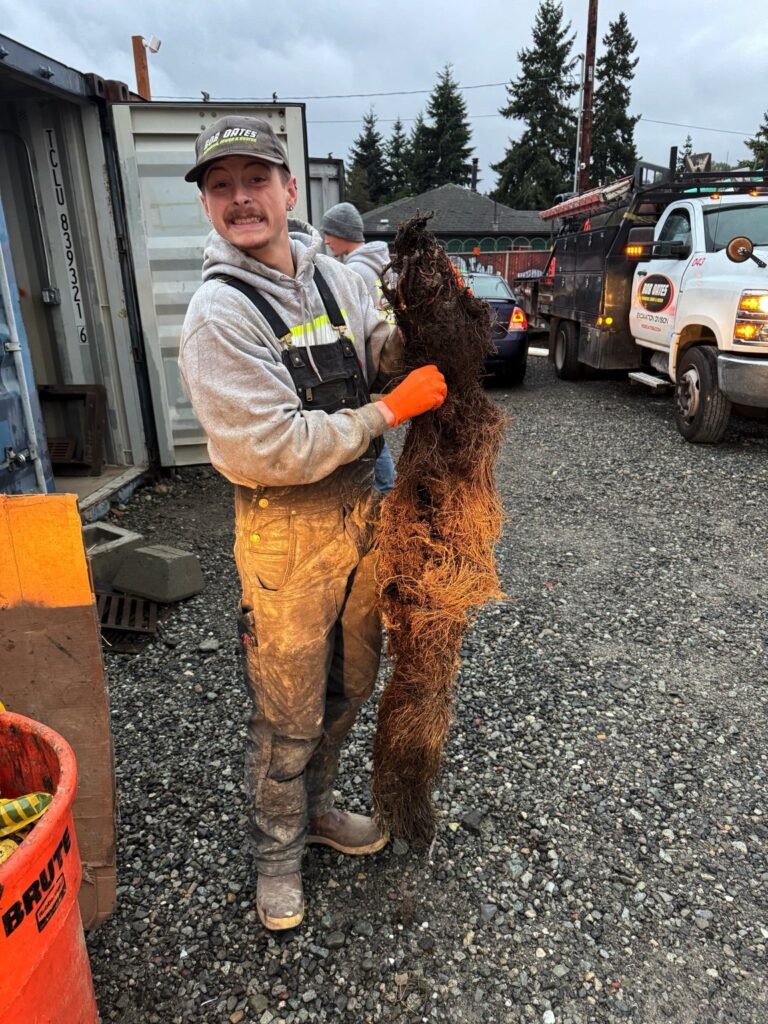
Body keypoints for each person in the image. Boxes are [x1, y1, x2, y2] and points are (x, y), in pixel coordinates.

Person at [178, 116, 446, 931]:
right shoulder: (218, 316)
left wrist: (429, 330)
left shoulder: (339, 278)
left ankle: (319, 812)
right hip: (285, 535)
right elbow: (272, 446)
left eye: (254, 180)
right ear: (208, 207)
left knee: (351, 683)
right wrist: (384, 414)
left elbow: (376, 346)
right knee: (288, 708)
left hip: (361, 518)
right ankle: (276, 856)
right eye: (220, 187)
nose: (239, 199)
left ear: (290, 190)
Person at [321, 202, 397, 495]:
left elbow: (354, 324)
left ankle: (385, 493)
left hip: (365, 361)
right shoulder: (378, 263)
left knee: (368, 433)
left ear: (343, 233)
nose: (326, 239)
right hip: (383, 352)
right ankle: (386, 489)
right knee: (374, 431)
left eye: (330, 232)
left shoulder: (354, 271)